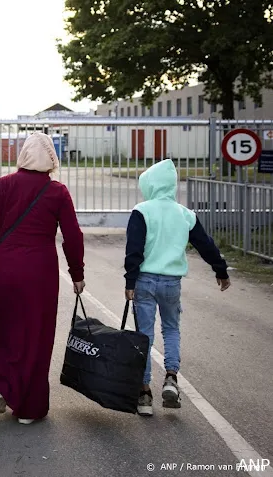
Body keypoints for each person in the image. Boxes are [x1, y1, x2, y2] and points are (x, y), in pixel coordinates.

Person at [0, 132, 85, 424]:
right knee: (36, 336)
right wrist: (77, 273)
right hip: (39, 273)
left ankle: (2, 386)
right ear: (51, 158)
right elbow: (72, 237)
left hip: (5, 269)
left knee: (3, 328)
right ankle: (28, 406)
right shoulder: (57, 192)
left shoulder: (4, 186)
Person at [123, 158, 231, 417]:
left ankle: (145, 393)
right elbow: (205, 244)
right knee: (171, 329)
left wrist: (130, 281)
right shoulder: (185, 214)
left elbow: (134, 250)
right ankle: (171, 378)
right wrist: (221, 270)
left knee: (144, 336)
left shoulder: (142, 210)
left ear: (150, 185)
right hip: (172, 283)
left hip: (145, 281)